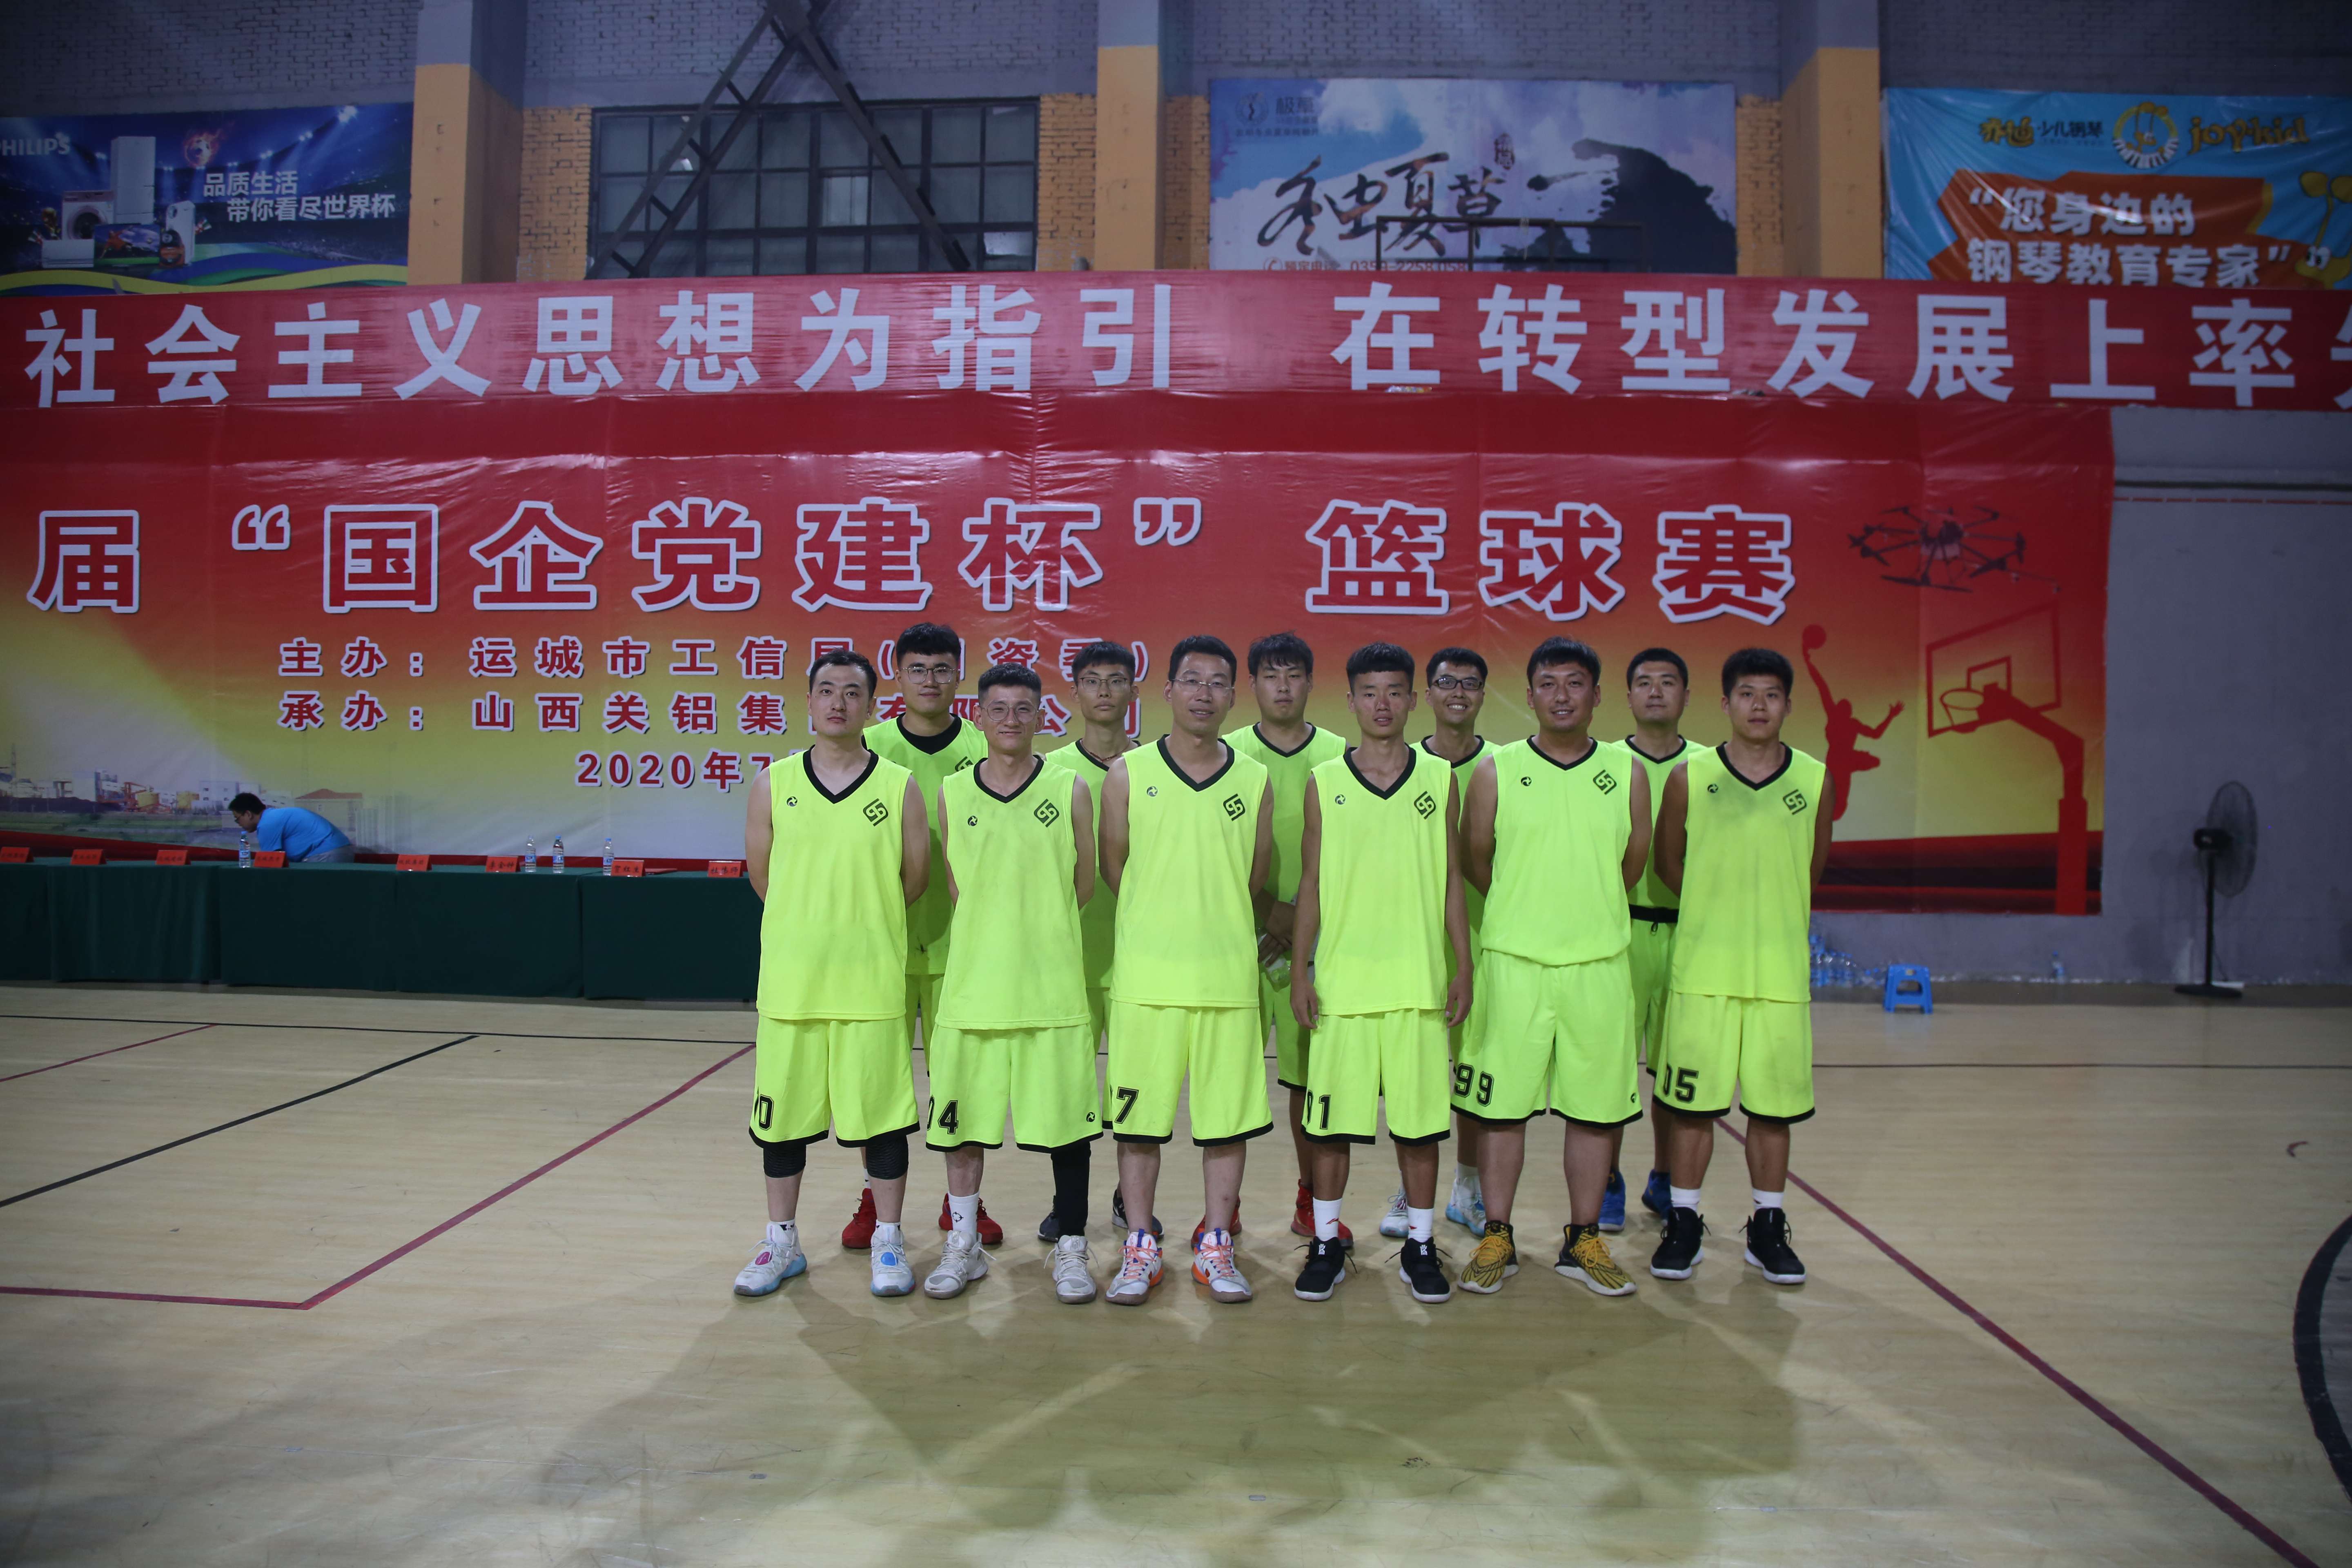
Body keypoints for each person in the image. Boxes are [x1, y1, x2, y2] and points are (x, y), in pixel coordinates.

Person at [1454, 638, 1650, 1300]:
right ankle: (1498, 1236)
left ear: (1597, 695)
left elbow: (1631, 865)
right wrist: (1526, 911)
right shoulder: (1497, 771)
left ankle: (1583, 1239)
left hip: (1599, 966)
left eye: (1575, 683)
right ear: (1530, 695)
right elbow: (1478, 860)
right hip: (1515, 965)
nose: (1562, 695)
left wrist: (1585, 913)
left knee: (1595, 1112)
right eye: (1548, 683)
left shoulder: (1627, 772)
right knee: (1502, 1110)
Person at [732, 649, 930, 1300]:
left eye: (852, 692)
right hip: (794, 985)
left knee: (884, 1122)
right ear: (809, 703)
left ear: (872, 707)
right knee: (783, 1123)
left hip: (871, 985)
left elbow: (913, 880)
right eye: (826, 690)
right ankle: (781, 1242)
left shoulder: (899, 786)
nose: (838, 702)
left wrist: (861, 926)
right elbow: (764, 878)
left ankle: (889, 1241)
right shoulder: (773, 783)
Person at [1287, 643, 1472, 1304]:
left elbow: (1452, 879)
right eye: (1370, 693)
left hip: (1417, 984)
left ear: (1413, 700)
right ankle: (1327, 1242)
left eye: (1395, 692)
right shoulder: (1324, 782)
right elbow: (1311, 883)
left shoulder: (1439, 779)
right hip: (1344, 986)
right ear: (1351, 701)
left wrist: (1463, 964)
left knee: (1419, 1128)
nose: (1383, 704)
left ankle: (1420, 1244)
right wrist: (1302, 971)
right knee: (1330, 1127)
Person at [1098, 635, 1274, 1306]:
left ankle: (1216, 1243)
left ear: (1233, 696)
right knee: (1140, 1126)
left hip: (1226, 981)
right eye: (1192, 680)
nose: (1205, 693)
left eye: (1218, 682)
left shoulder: (1254, 779)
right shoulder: (1128, 773)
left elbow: (1254, 878)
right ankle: (1140, 1245)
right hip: (1147, 983)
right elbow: (1117, 868)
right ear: (1168, 691)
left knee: (1226, 1124)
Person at [1648, 647, 1831, 1288]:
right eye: (1747, 694)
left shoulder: (1814, 779)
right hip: (1704, 973)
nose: (1759, 706)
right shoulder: (1690, 777)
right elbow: (1669, 865)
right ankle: (1684, 1221)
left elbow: (1812, 870)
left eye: (1772, 695)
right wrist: (1713, 910)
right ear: (1725, 703)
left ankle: (1767, 1226)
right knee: (1692, 1109)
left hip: (1779, 976)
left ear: (1789, 705)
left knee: (1773, 1111)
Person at [922, 664, 1102, 1304]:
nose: (1011, 720)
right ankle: (964, 1244)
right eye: (998, 709)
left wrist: (1040, 930)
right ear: (978, 716)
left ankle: (1072, 1248)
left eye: (1024, 709)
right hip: (974, 991)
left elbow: (1083, 884)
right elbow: (957, 886)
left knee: (1067, 1132)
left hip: (1051, 992)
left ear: (1041, 717)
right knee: (962, 1129)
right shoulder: (952, 792)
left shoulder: (1070, 788)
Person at [853, 622, 994, 1252]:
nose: (930, 681)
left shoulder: (986, 746)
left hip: (963, 950)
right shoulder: (869, 746)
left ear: (959, 675)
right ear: (897, 676)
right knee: (878, 1085)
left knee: (959, 1087)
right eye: (918, 669)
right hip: (881, 949)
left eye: (942, 669)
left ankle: (962, 1203)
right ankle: (873, 1197)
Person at [1225, 631, 1348, 1248]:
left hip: (1315, 948)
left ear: (1310, 683)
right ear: (1252, 684)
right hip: (1238, 942)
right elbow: (1213, 856)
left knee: (1308, 1083)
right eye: (1270, 675)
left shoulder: (1341, 756)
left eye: (1294, 674)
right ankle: (1224, 1208)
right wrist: (1267, 913)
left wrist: (1300, 926)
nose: (1282, 686)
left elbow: (1352, 855)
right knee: (1230, 1080)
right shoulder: (1226, 754)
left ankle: (1310, 1198)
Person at [1381, 645, 1495, 1241]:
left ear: (1483, 695)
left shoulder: (1503, 767)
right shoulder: (1399, 765)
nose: (1458, 693)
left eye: (1470, 684)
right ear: (1426, 694)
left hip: (1486, 941)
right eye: (1447, 682)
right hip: (1413, 948)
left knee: (1473, 1073)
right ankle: (1410, 1189)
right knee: (1414, 1078)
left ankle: (1467, 1188)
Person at [1037, 639, 1136, 1244]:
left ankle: (1130, 1198)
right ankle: (1066, 1203)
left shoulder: (1157, 768)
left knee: (1134, 1094)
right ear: (1074, 692)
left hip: (1138, 964)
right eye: (1093, 681)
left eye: (1116, 680)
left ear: (1134, 692)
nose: (1104, 691)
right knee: (1070, 1095)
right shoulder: (1049, 772)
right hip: (1067, 964)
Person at [1619, 648, 1694, 1230]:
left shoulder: (1709, 769)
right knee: (1611, 1069)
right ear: (1627, 696)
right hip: (1620, 933)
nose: (1655, 692)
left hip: (1690, 938)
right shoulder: (1607, 764)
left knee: (1677, 1072)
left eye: (1668, 682)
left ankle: (1665, 1178)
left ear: (1686, 696)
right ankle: (1606, 1180)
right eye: (1644, 682)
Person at [227, 794, 352, 862]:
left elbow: (271, 863)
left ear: (248, 814)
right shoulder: (273, 816)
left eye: (238, 819)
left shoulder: (266, 824)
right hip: (337, 851)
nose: (238, 823)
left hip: (326, 854)